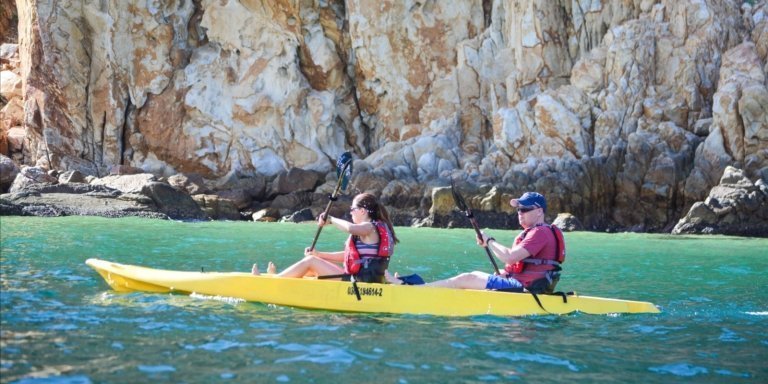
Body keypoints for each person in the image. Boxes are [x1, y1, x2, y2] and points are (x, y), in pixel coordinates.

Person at [387, 192, 564, 293]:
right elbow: (518, 266)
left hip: (525, 289)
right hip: (527, 285)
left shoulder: (540, 232)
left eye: (525, 209)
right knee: (471, 278)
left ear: (539, 211)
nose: (520, 212)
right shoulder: (539, 233)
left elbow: (509, 257)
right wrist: (504, 273)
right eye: (518, 209)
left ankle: (416, 290)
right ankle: (421, 287)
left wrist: (489, 240)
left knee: (467, 278)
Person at [252, 193, 399, 283]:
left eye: (352, 210)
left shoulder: (370, 227)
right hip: (358, 277)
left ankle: (274, 282)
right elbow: (348, 256)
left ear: (362, 211)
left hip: (361, 280)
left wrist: (331, 219)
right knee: (310, 268)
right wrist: (319, 255)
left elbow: (351, 228)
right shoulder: (368, 230)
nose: (351, 213)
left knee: (310, 262)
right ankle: (278, 278)